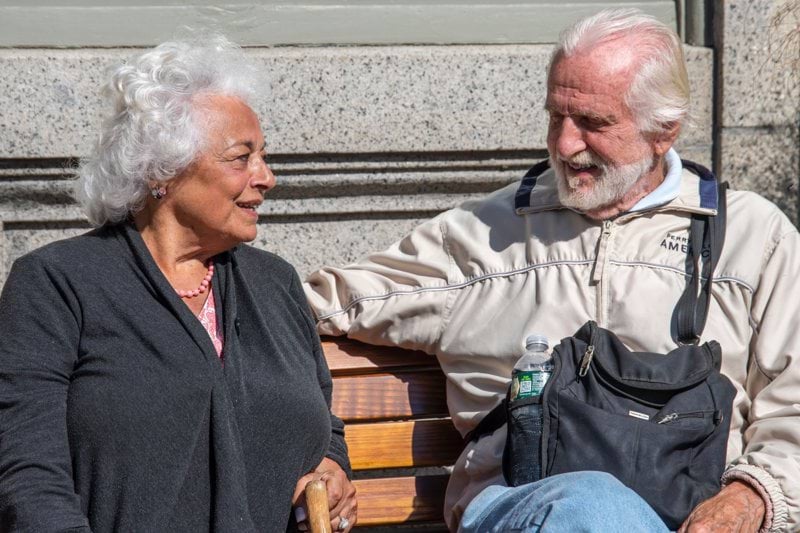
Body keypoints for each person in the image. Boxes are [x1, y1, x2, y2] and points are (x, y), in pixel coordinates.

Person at [304, 8, 800, 533]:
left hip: (696, 516)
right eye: (555, 117)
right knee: (590, 505)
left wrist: (751, 497)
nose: (565, 144)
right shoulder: (480, 236)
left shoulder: (753, 240)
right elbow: (311, 305)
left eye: (592, 122)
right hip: (525, 510)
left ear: (664, 130)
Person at [0, 36, 356, 532]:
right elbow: (28, 474)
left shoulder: (274, 282)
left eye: (264, 156)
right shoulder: (58, 283)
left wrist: (332, 467)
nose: (267, 177)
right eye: (241, 157)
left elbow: (323, 421)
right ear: (161, 171)